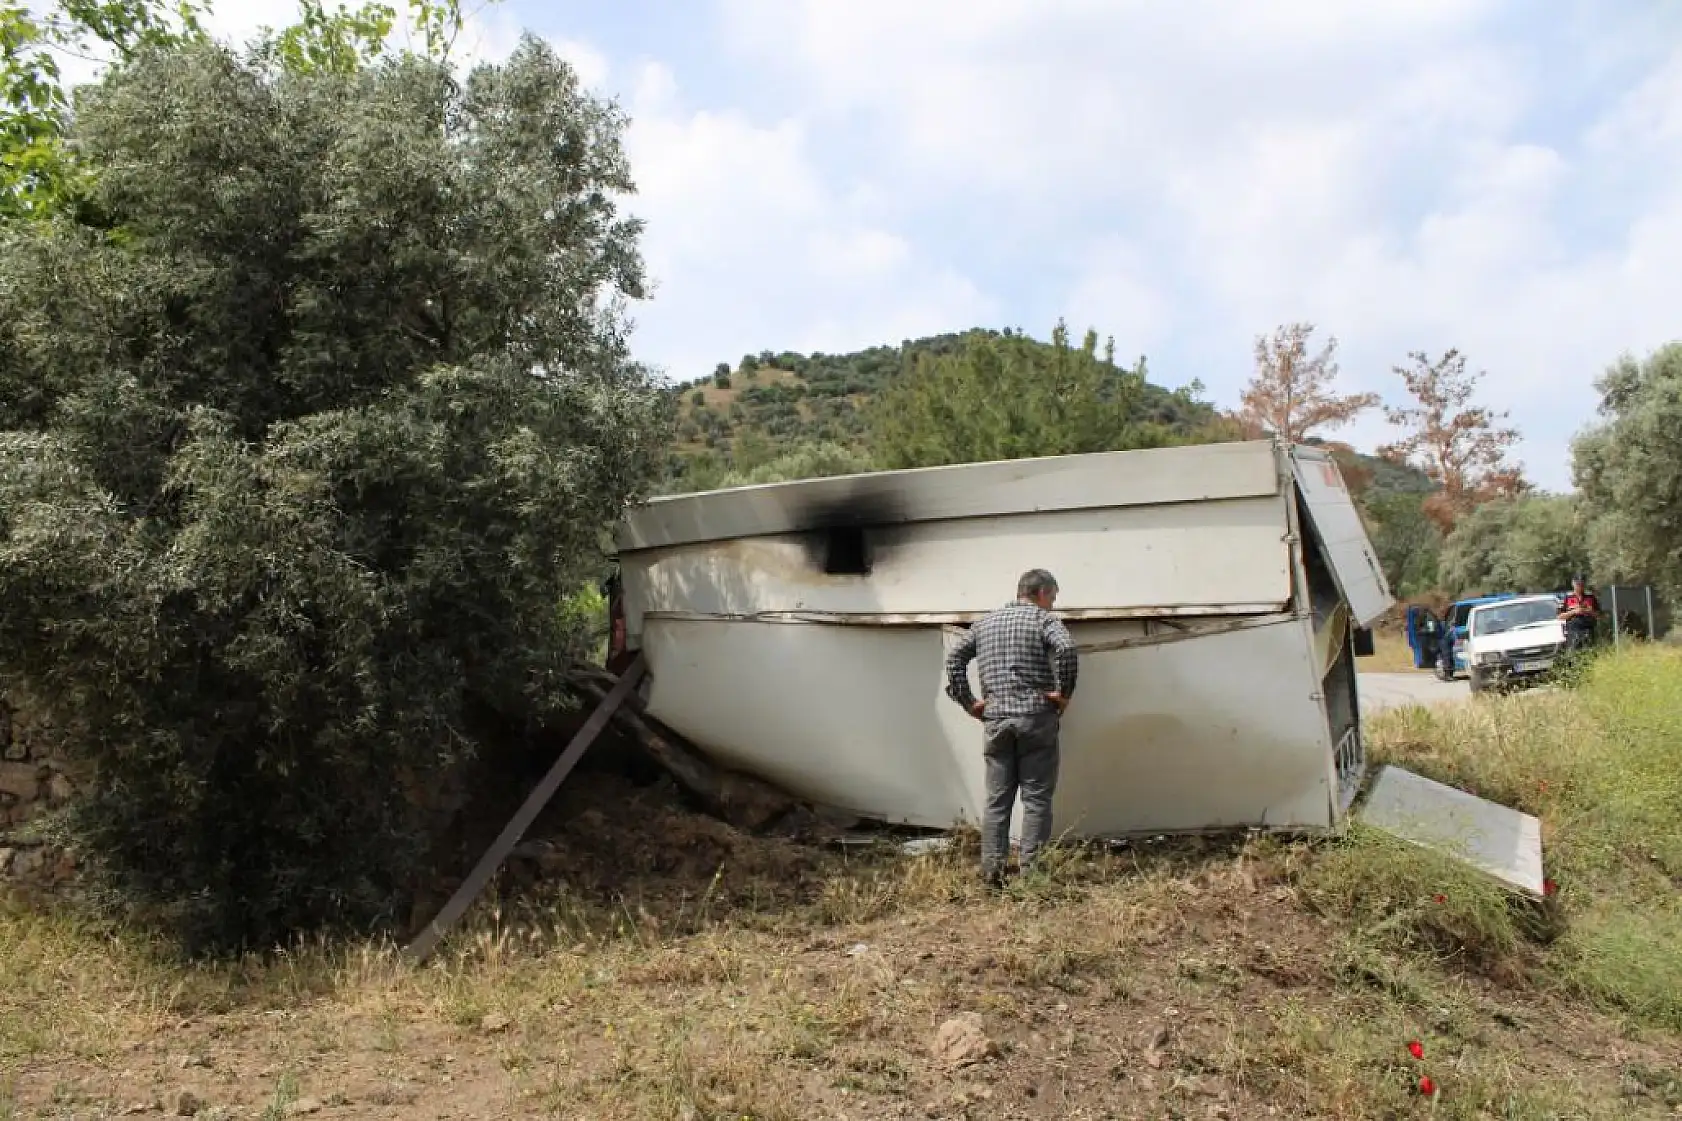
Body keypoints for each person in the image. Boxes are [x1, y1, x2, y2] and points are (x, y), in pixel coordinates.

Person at [943, 568, 1079, 887]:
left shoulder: (984, 623)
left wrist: (970, 702)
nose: (1052, 605)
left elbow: (954, 661)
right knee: (1036, 798)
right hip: (1035, 718)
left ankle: (992, 873)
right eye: (1053, 598)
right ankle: (1032, 874)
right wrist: (1064, 695)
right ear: (1042, 593)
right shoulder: (1044, 621)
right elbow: (1067, 650)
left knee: (997, 799)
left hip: (997, 719)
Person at [1558, 574, 1601, 652]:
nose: (1580, 586)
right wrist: (1574, 611)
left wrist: (1588, 611)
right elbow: (1560, 616)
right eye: (1578, 584)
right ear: (1573, 584)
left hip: (1588, 630)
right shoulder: (1567, 598)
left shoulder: (1591, 597)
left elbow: (1599, 615)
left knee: (1590, 653)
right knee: (1574, 655)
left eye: (1582, 584)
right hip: (1573, 631)